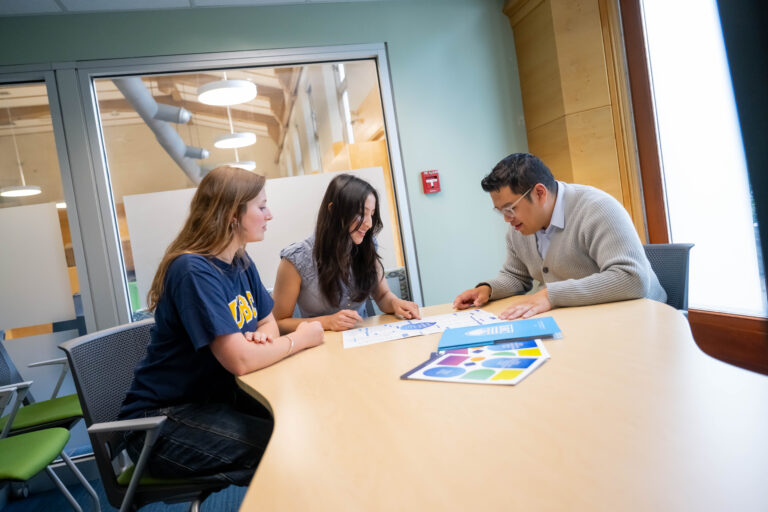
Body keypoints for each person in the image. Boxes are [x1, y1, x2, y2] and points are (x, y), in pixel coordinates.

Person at [119, 166, 324, 485]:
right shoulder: (192, 271)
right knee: (285, 445)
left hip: (212, 402)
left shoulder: (240, 261)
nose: (269, 215)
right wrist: (299, 339)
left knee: (307, 422)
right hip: (161, 423)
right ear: (232, 214)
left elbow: (266, 319)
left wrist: (263, 340)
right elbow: (240, 360)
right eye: (261, 206)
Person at [453, 153, 666, 320]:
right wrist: (487, 290)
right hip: (583, 319)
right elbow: (516, 276)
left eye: (510, 209)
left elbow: (631, 279)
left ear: (539, 193)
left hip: (638, 319)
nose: (507, 219)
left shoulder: (598, 209)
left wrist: (550, 295)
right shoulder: (521, 227)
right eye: (501, 211)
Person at [273, 173, 420, 332]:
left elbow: (383, 295)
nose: (369, 224)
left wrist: (395, 303)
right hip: (320, 347)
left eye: (371, 214)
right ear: (333, 210)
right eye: (361, 214)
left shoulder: (367, 246)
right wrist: (327, 322)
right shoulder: (295, 259)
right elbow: (278, 322)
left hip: (362, 340)